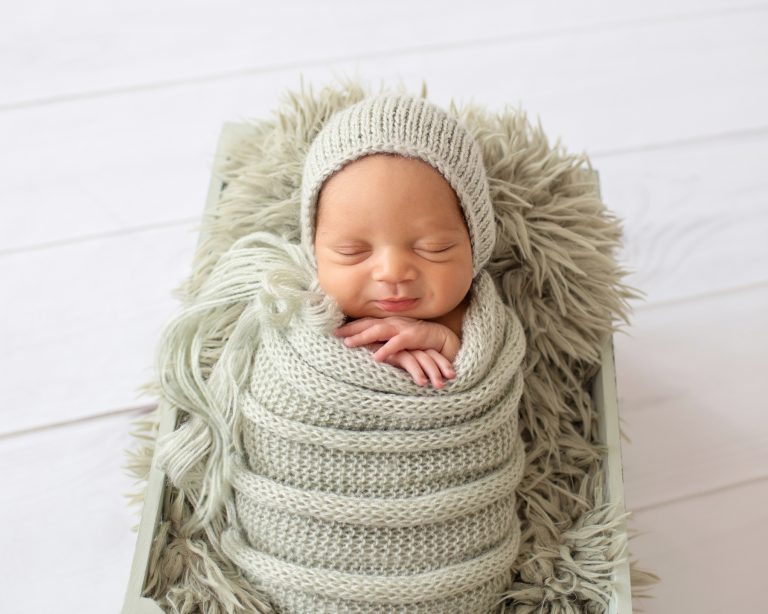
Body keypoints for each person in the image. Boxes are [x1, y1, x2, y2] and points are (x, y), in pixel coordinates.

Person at [299, 94, 497, 389]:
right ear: (314, 251)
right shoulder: (301, 313)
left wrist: (448, 345)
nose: (392, 272)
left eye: (433, 249)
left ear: (475, 243)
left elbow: (488, 385)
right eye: (352, 251)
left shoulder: (476, 321)